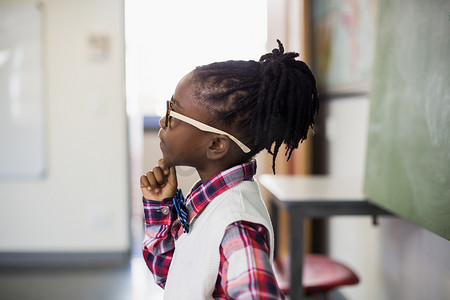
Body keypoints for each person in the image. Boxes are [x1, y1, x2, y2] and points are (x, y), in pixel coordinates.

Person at [140, 40, 319, 299]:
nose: (162, 120)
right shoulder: (207, 202)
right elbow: (174, 276)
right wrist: (161, 208)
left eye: (173, 114)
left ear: (215, 144)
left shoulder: (236, 226)